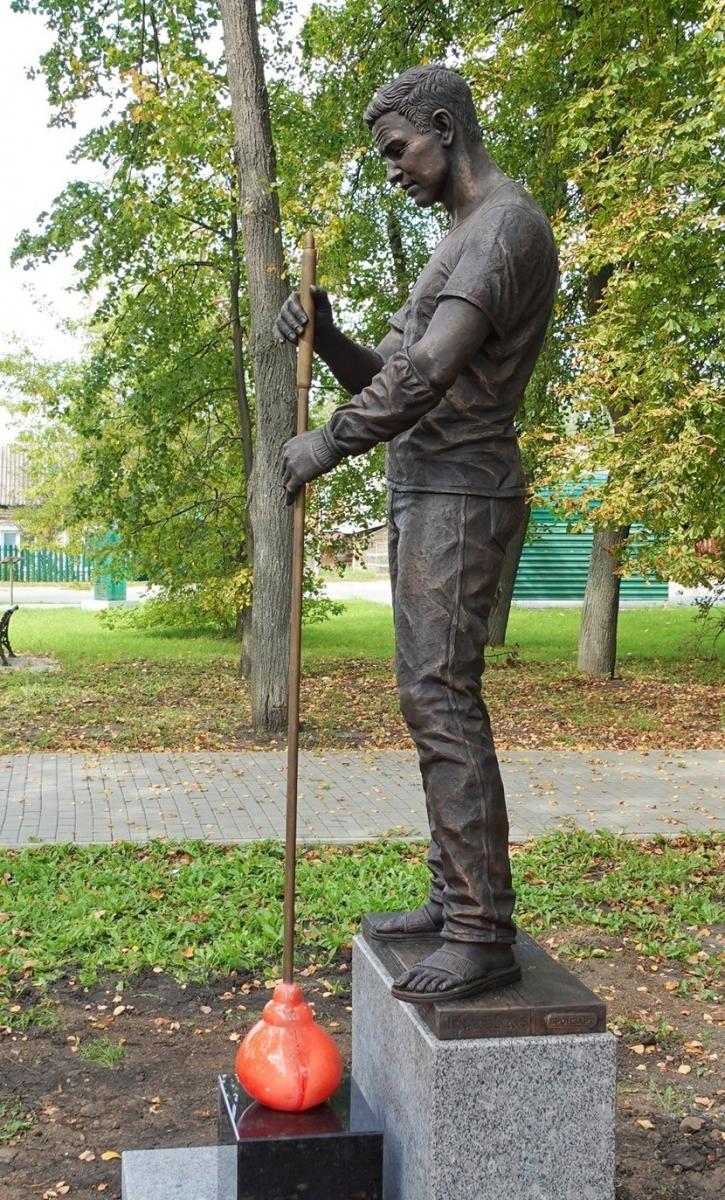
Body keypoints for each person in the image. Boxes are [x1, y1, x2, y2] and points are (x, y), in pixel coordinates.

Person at [277, 65, 558, 1004]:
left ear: (443, 126)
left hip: (462, 493)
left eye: (398, 149)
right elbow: (389, 371)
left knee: (442, 698)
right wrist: (327, 332)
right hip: (427, 487)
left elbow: (430, 373)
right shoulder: (459, 238)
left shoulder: (505, 228)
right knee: (429, 698)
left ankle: (481, 930)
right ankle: (454, 898)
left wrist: (326, 444)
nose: (392, 168)